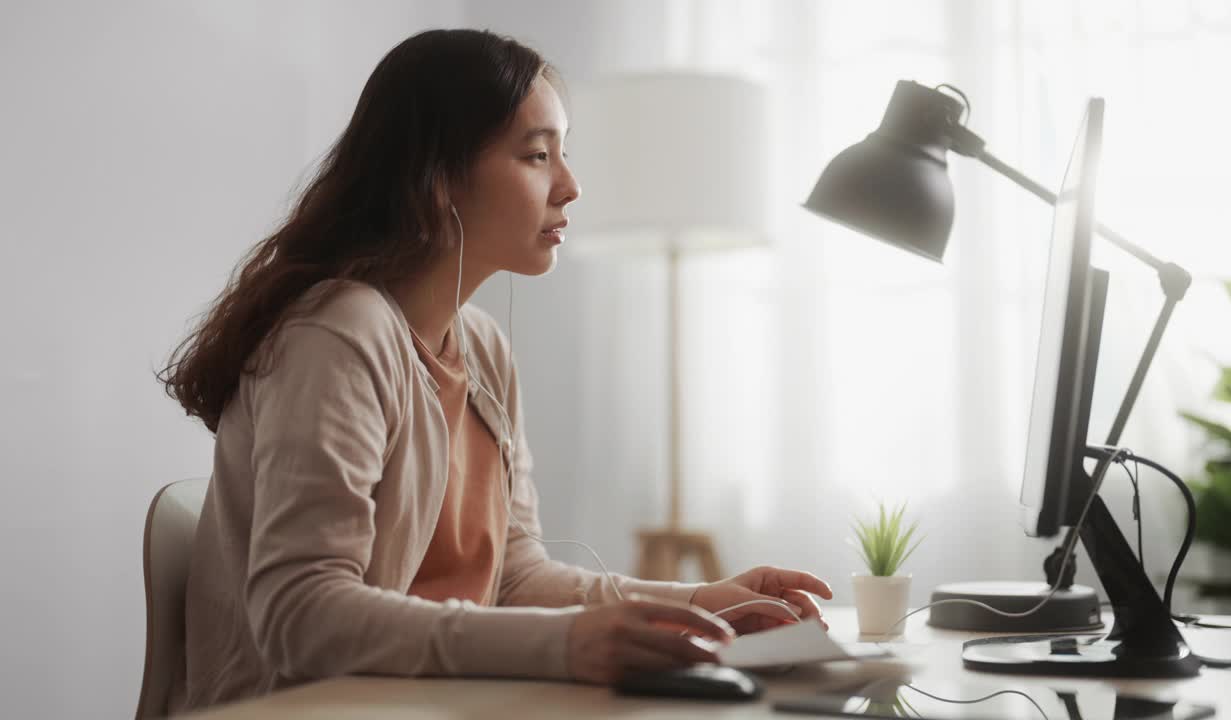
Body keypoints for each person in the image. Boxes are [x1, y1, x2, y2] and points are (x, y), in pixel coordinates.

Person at [159, 28, 832, 713]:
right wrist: (567, 643)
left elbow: (515, 575)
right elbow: (300, 615)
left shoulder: (482, 347)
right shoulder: (338, 335)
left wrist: (699, 603)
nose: (569, 186)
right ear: (438, 176)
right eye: (538, 155)